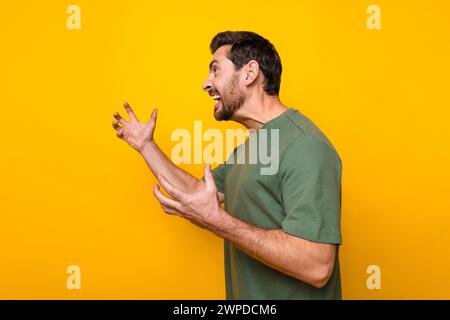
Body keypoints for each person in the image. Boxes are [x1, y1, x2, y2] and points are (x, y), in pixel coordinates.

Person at [111, 31, 343, 299]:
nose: (205, 84)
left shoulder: (305, 146)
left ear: (249, 73)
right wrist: (146, 146)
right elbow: (198, 193)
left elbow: (317, 266)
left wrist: (217, 222)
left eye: (215, 70)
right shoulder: (254, 146)